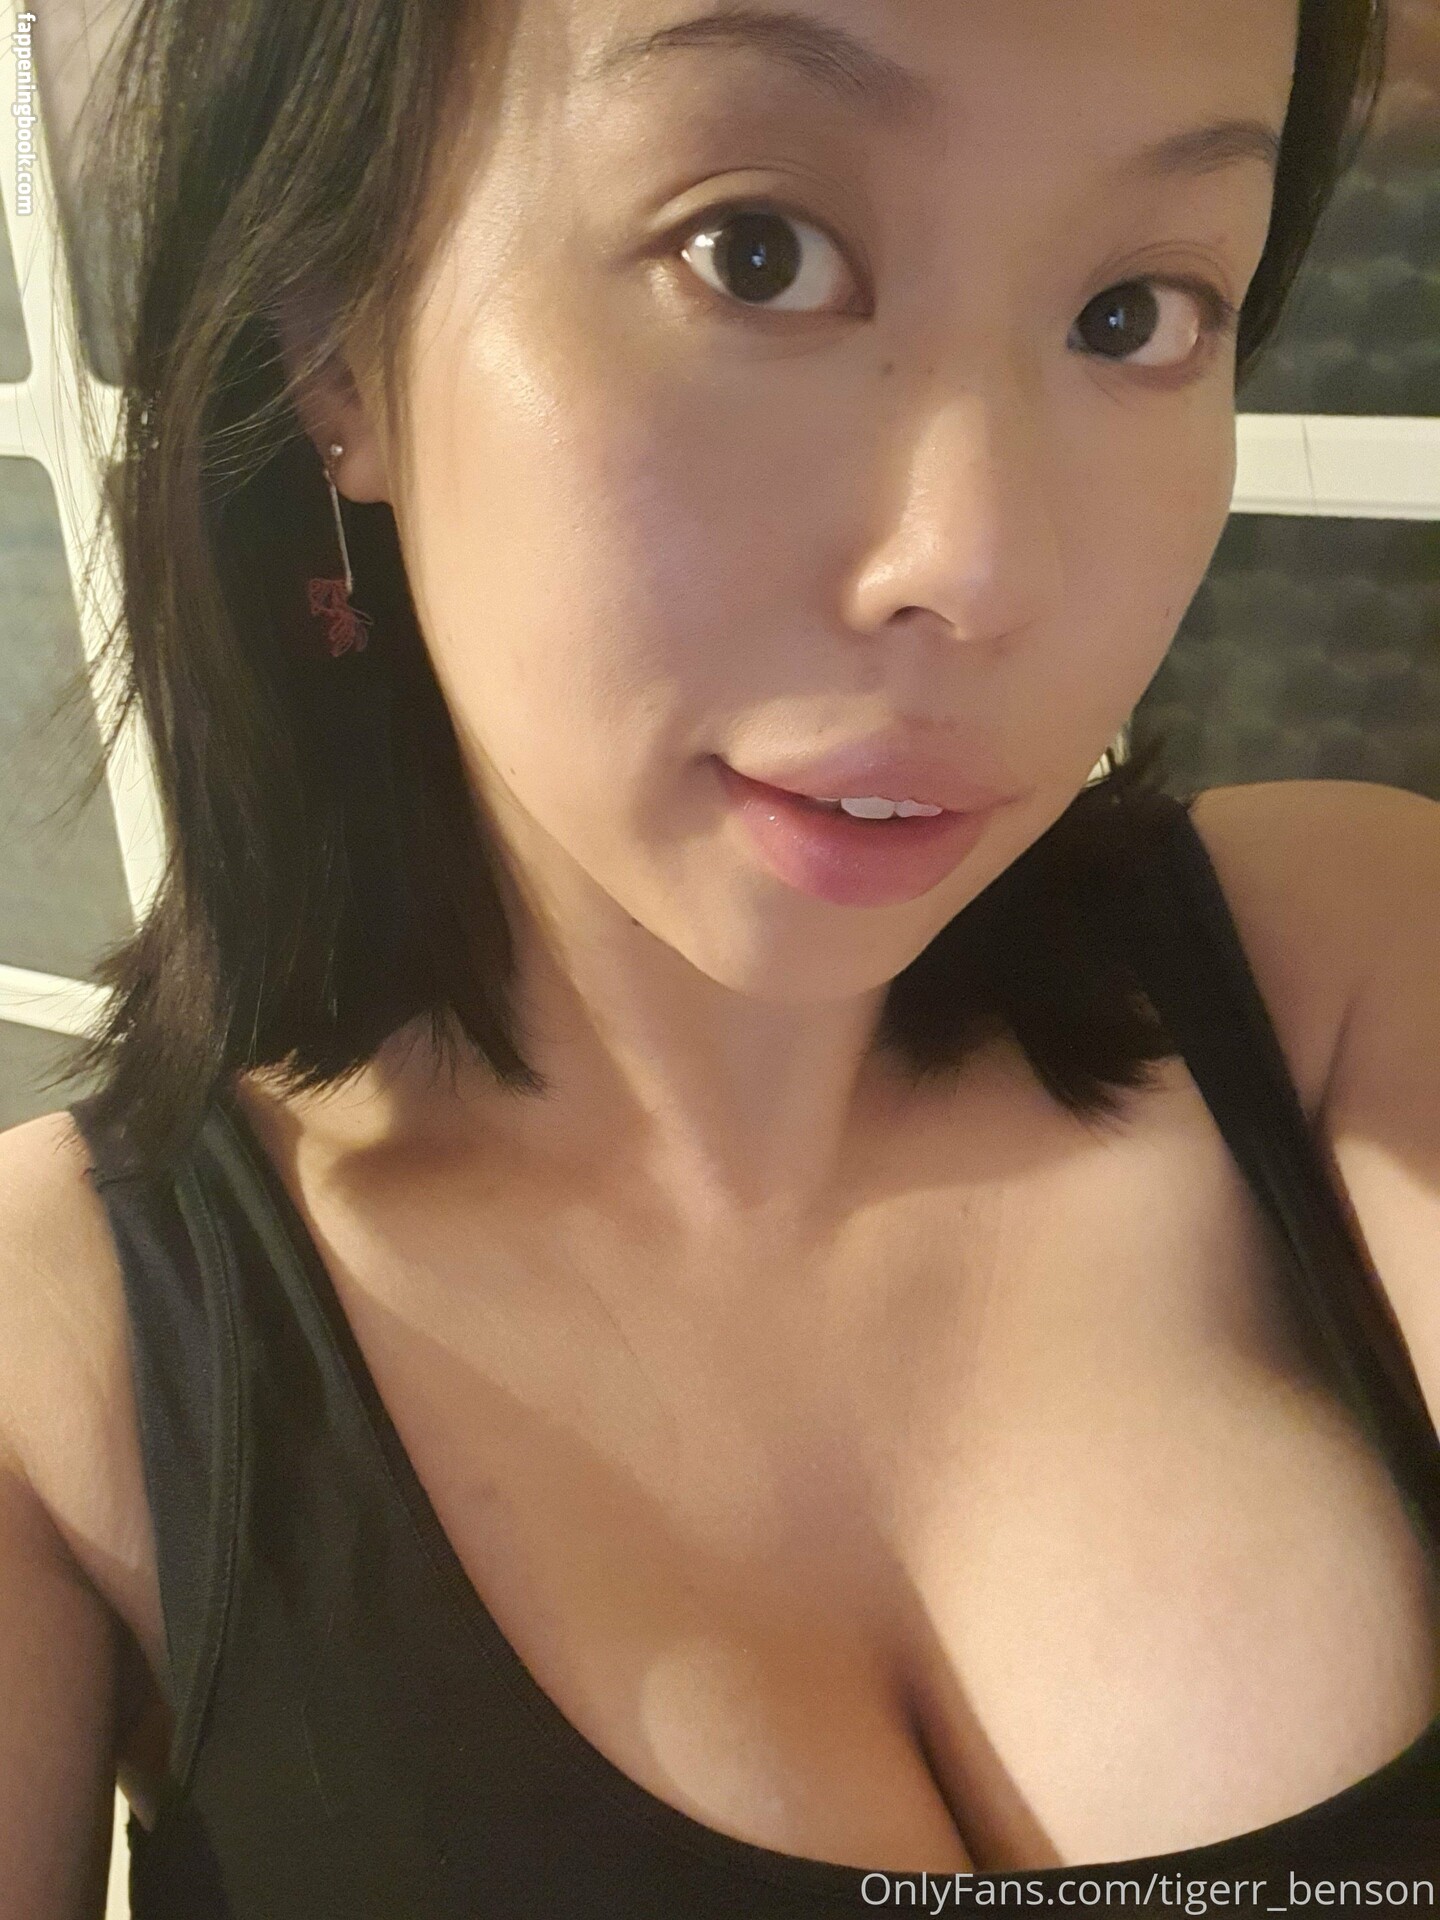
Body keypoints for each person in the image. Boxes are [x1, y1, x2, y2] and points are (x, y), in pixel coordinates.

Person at [1, 0, 1436, 1911]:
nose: (983, 567)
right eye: (755, 254)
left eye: (1133, 313)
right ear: (336, 338)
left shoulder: (1358, 976)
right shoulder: (67, 1364)